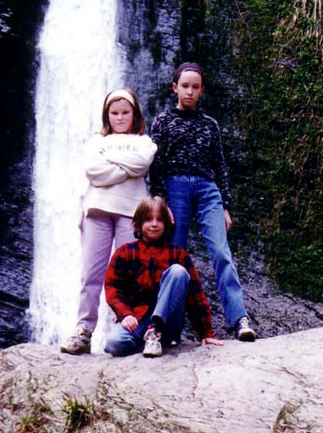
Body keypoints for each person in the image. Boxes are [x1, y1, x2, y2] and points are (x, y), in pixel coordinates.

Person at [149, 62, 256, 341]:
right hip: (175, 187)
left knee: (221, 252)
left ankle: (239, 319)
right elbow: (155, 164)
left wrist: (225, 206)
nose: (189, 91)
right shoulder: (162, 121)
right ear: (175, 88)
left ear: (202, 91)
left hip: (208, 190)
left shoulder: (210, 125)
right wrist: (160, 200)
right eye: (185, 86)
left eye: (195, 87)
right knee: (174, 256)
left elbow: (220, 165)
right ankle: (167, 326)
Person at [60, 88, 157, 355]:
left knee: (132, 276)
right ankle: (83, 330)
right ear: (107, 115)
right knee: (91, 274)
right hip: (97, 212)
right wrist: (126, 168)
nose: (120, 117)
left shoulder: (145, 142)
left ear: (135, 114)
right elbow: (93, 171)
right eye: (114, 113)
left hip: (132, 213)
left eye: (126, 112)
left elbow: (142, 163)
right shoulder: (94, 142)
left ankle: (128, 329)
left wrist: (111, 163)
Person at [104, 196, 224, 357]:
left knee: (178, 271)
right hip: (139, 319)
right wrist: (125, 314)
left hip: (170, 321)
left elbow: (196, 296)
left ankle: (156, 332)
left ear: (167, 224)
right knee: (113, 343)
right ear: (138, 223)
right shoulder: (125, 253)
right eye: (148, 220)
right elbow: (112, 288)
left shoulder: (178, 254)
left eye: (159, 220)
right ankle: (153, 341)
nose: (154, 224)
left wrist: (206, 334)